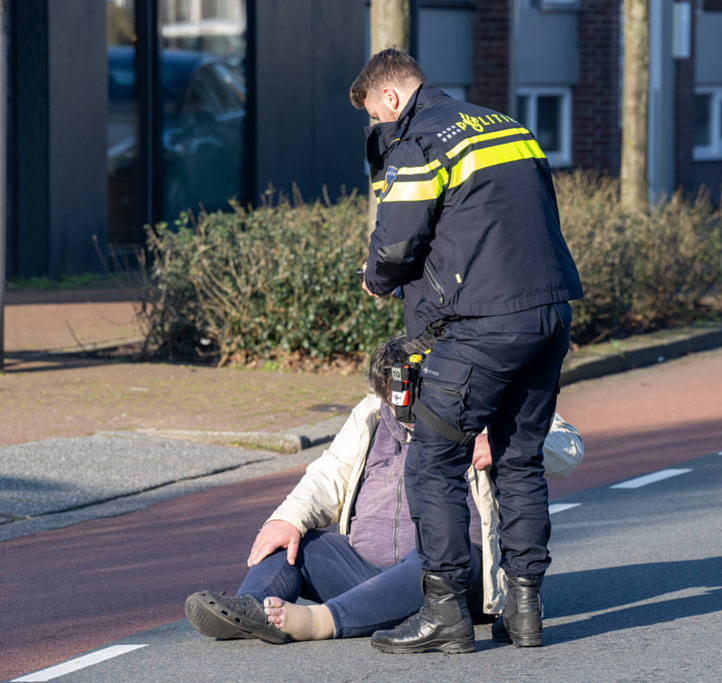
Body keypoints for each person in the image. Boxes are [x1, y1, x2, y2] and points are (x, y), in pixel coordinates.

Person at [352, 49, 583, 653]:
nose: (375, 128)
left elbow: (399, 240)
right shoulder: (508, 126)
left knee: (432, 462)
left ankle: (445, 614)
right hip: (549, 314)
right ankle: (526, 611)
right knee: (518, 460)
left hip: (481, 325)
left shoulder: (421, 140)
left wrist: (375, 277)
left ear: (393, 98)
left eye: (375, 115)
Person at [184, 335, 583, 644]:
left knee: (436, 554)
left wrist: (503, 444)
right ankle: (250, 611)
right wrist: (287, 519)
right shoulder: (372, 412)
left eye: (410, 399)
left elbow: (569, 447)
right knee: (294, 541)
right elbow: (328, 474)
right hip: (361, 571)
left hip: (454, 581)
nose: (402, 412)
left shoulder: (489, 407)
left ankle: (318, 623)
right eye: (392, 401)